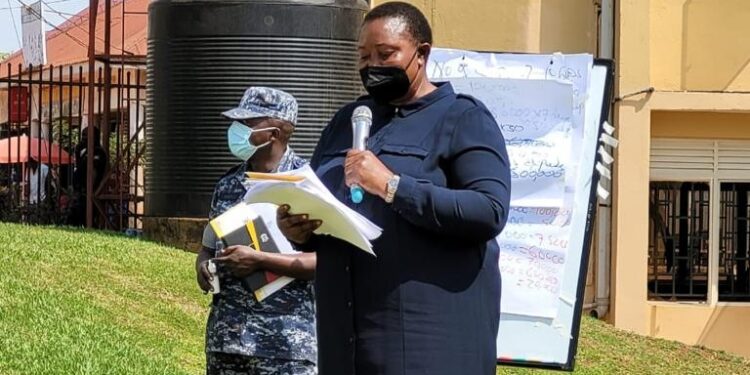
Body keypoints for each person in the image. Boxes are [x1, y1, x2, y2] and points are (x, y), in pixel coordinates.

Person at [276, 3, 511, 374]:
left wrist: (392, 186)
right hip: (348, 344)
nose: (372, 66)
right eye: (364, 56)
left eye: (385, 54)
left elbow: (489, 210)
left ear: (422, 54)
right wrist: (300, 231)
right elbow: (325, 202)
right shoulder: (347, 121)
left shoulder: (463, 119)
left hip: (430, 343)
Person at [195, 87, 318, 375]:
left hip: (286, 344)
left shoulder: (308, 184)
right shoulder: (227, 184)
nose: (237, 129)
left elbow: (325, 262)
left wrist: (260, 260)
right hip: (227, 340)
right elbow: (207, 248)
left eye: (248, 123)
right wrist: (203, 268)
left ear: (274, 133)